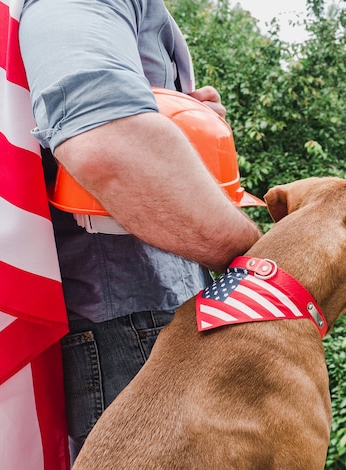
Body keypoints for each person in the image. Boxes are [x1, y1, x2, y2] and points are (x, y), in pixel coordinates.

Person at [18, 0, 262, 463]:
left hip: (139, 325)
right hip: (129, 331)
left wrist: (186, 122)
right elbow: (106, 144)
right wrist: (258, 266)